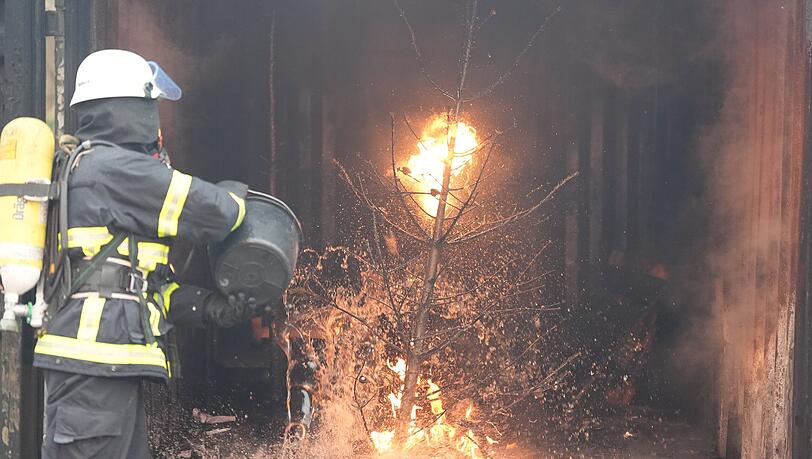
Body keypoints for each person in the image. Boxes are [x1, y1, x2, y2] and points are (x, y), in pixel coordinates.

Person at [33, 49, 259, 458]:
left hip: (101, 370)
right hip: (95, 371)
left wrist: (209, 307)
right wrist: (236, 196)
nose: (156, 121)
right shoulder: (117, 169)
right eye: (149, 106)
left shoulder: (99, 169)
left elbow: (136, 285)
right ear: (127, 108)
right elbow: (216, 214)